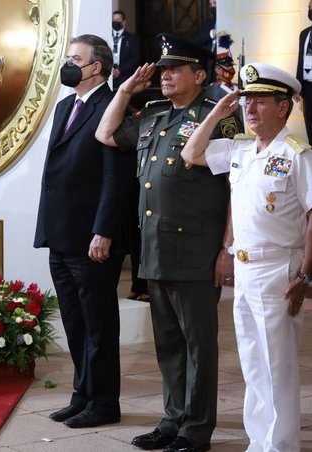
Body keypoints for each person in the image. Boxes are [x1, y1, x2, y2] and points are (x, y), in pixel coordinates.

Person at [95, 34, 241, 452]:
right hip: (155, 248)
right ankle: (172, 419)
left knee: (198, 346)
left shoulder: (218, 117)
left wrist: (226, 249)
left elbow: (235, 187)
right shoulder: (154, 113)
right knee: (169, 345)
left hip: (196, 250)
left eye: (175, 69)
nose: (165, 76)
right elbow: (106, 133)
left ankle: (196, 430)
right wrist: (125, 90)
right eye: (163, 70)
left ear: (199, 75)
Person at [181, 62, 312, 452]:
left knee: (277, 364)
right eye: (246, 101)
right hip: (245, 265)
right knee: (253, 361)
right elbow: (191, 152)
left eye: (260, 102)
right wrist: (217, 113)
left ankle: (280, 444)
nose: (249, 109)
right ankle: (259, 440)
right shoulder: (239, 149)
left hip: (279, 268)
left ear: (283, 107)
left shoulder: (297, 155)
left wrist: (305, 276)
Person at [34, 34, 132, 429]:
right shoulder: (64, 106)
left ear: (96, 67)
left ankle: (104, 402)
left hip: (92, 237)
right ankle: (83, 394)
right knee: (75, 322)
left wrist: (104, 230)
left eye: (75, 59)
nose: (68, 65)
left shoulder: (112, 107)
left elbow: (115, 178)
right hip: (61, 234)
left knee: (98, 324)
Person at [111, 10, 141, 91]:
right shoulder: (106, 36)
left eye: (118, 20)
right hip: (108, 76)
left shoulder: (132, 38)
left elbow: (135, 58)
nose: (115, 22)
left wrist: (119, 71)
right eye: (114, 20)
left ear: (124, 22)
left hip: (125, 77)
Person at [297, 0, 312, 144]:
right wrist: (297, 88)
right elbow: (300, 62)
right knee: (310, 127)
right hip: (308, 89)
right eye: (309, 7)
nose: (310, 10)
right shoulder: (304, 34)